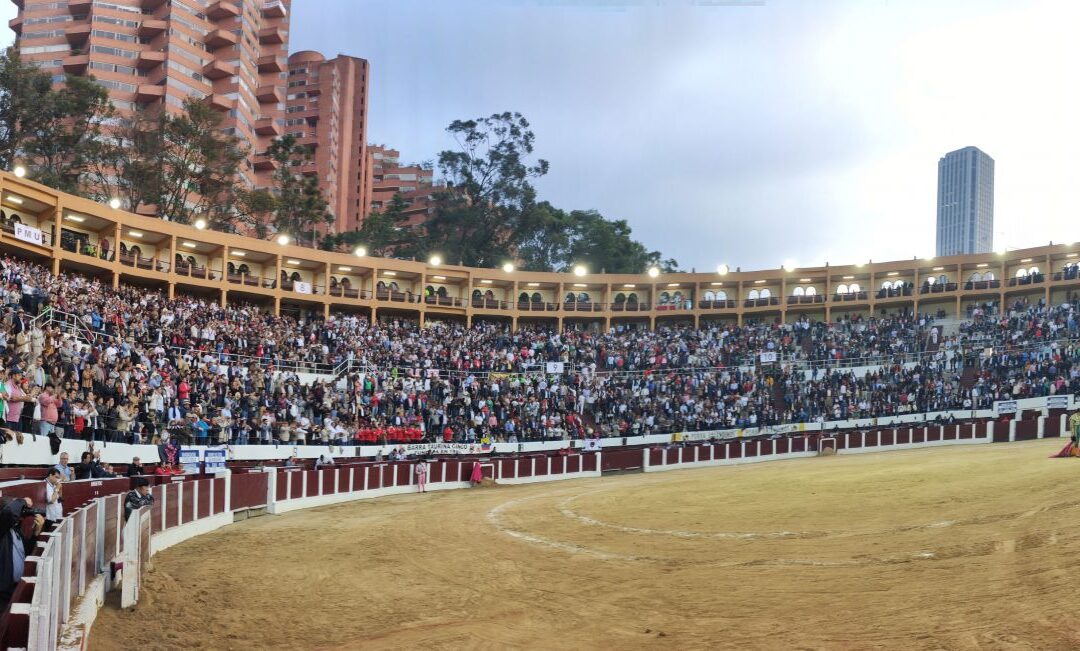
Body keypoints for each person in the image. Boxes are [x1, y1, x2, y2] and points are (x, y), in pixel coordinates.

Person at [0, 496, 45, 610]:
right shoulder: (2, 529)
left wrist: (35, 533)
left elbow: (26, 553)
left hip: (16, 586)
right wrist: (23, 501)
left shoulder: (16, 530)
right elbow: (9, 513)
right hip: (2, 593)